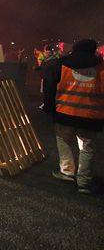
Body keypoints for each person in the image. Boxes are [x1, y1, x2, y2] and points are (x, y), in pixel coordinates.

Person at [43, 39, 104, 194]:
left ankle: (67, 172)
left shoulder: (61, 64)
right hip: (91, 116)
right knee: (87, 147)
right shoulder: (101, 66)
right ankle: (84, 182)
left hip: (65, 113)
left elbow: (49, 86)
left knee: (64, 141)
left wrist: (49, 107)